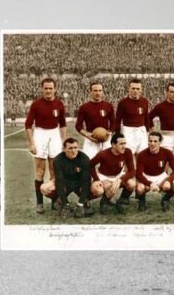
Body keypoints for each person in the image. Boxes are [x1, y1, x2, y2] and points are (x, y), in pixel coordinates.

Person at [24, 78, 67, 214]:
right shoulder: (36, 104)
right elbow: (28, 125)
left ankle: (54, 201)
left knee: (54, 170)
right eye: (46, 88)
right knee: (40, 171)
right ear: (42, 89)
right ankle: (39, 203)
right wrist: (31, 142)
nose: (48, 90)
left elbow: (63, 124)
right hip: (40, 134)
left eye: (50, 88)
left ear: (55, 89)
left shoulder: (59, 104)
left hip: (54, 135)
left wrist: (64, 141)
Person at [40, 138, 94, 218]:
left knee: (98, 189)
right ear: (64, 149)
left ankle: (85, 202)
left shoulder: (84, 158)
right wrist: (65, 203)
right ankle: (62, 202)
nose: (73, 150)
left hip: (79, 183)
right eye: (70, 148)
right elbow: (59, 181)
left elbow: (86, 180)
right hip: (65, 183)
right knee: (44, 188)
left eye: (75, 147)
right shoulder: (58, 160)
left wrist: (80, 203)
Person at [135, 131, 174, 212]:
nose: (152, 143)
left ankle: (165, 200)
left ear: (160, 142)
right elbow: (139, 174)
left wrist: (168, 180)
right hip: (147, 176)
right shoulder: (141, 154)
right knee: (140, 188)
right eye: (150, 141)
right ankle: (142, 201)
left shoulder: (167, 153)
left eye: (155, 141)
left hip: (161, 175)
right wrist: (150, 184)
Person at [89, 133, 136, 214]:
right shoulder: (103, 154)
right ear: (113, 145)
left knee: (132, 184)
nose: (124, 146)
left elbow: (132, 171)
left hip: (118, 175)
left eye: (124, 143)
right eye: (121, 144)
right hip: (104, 175)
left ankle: (121, 201)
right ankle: (104, 201)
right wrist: (96, 179)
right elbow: (90, 165)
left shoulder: (127, 152)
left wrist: (120, 180)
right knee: (111, 188)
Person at [75, 81, 115, 160]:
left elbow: (113, 123)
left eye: (100, 90)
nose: (98, 93)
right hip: (90, 139)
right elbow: (78, 126)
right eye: (95, 90)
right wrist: (87, 135)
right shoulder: (84, 107)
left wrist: (109, 133)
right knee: (87, 163)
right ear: (90, 92)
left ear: (103, 91)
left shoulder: (108, 106)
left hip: (106, 139)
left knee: (109, 163)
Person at [115, 78, 151, 154]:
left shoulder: (144, 101)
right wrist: (118, 135)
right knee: (129, 155)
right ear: (129, 89)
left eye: (138, 88)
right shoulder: (123, 102)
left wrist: (147, 132)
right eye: (133, 88)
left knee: (143, 155)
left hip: (142, 130)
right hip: (128, 131)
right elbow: (117, 120)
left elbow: (146, 117)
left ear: (141, 89)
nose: (135, 91)